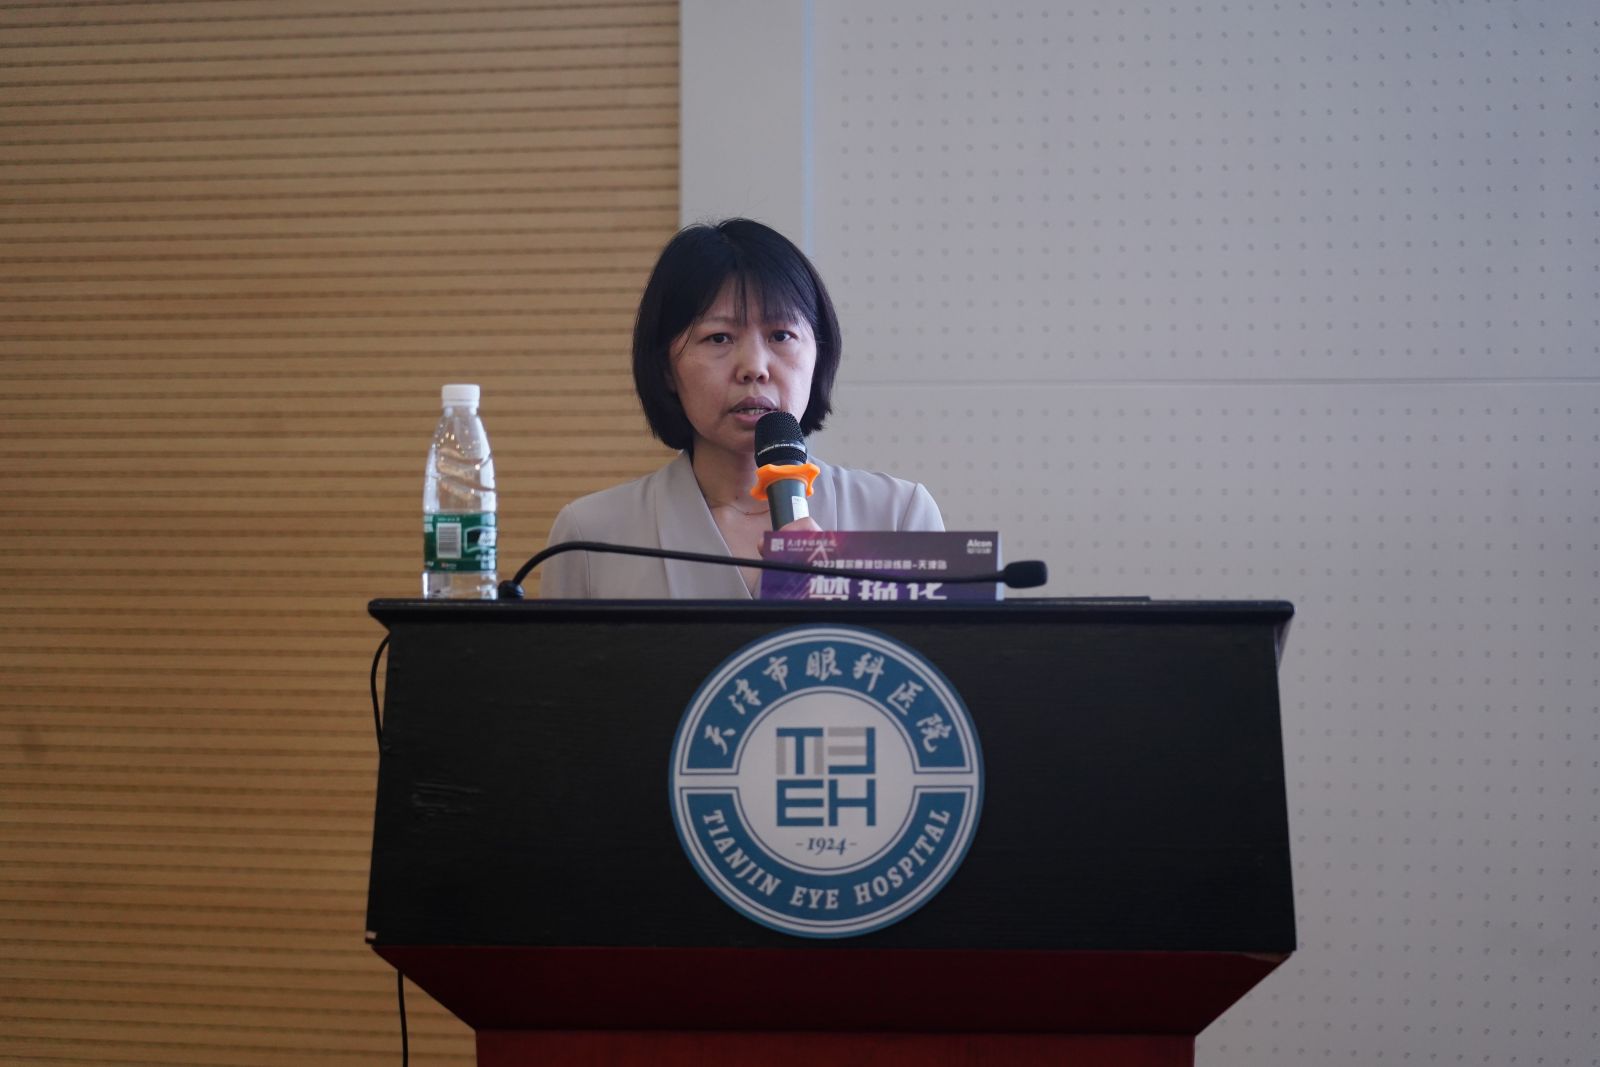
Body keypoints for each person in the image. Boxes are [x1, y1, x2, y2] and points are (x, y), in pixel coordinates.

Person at [540, 218, 943, 599]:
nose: (754, 367)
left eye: (781, 335)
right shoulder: (590, 537)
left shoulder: (898, 516)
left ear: (818, 355)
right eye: (719, 338)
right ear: (665, 368)